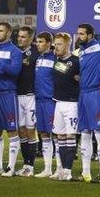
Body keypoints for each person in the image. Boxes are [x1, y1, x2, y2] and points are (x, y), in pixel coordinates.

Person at [0, 22, 23, 177]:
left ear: (9, 33)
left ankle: (11, 167)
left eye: (1, 31)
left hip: (8, 94)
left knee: (12, 130)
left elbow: (14, 72)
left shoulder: (15, 51)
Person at [75, 23, 100, 183]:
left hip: (96, 93)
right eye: (78, 33)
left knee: (99, 134)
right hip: (83, 94)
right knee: (85, 133)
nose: (79, 36)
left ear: (90, 35)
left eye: (82, 34)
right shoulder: (80, 51)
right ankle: (86, 173)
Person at [50, 32, 80, 181]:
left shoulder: (76, 61)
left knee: (70, 136)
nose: (56, 47)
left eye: (60, 44)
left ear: (68, 45)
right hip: (58, 102)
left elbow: (82, 80)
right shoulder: (56, 60)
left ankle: (68, 171)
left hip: (72, 104)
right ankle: (61, 169)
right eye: (55, 44)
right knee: (60, 137)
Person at [15, 26, 39, 177]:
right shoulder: (16, 53)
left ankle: (31, 166)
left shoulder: (36, 52)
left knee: (30, 131)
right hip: (17, 96)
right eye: (19, 36)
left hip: (31, 96)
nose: (20, 39)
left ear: (31, 39)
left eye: (23, 37)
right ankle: (25, 165)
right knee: (21, 131)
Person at [32, 32, 56, 178]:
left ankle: (60, 168)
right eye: (37, 42)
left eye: (41, 42)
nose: (38, 44)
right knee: (44, 134)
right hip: (38, 100)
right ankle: (47, 169)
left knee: (57, 135)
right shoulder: (38, 58)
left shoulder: (55, 58)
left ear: (48, 43)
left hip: (50, 100)